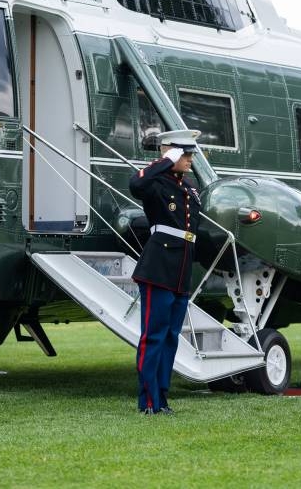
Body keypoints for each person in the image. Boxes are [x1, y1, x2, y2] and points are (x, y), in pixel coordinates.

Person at [129, 129, 202, 415]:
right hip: (158, 267)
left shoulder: (189, 186)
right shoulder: (155, 182)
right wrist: (165, 159)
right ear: (170, 153)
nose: (190, 158)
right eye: (184, 153)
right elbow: (136, 183)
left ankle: (162, 397)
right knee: (154, 335)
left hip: (181, 269)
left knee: (171, 337)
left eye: (190, 153)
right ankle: (148, 400)